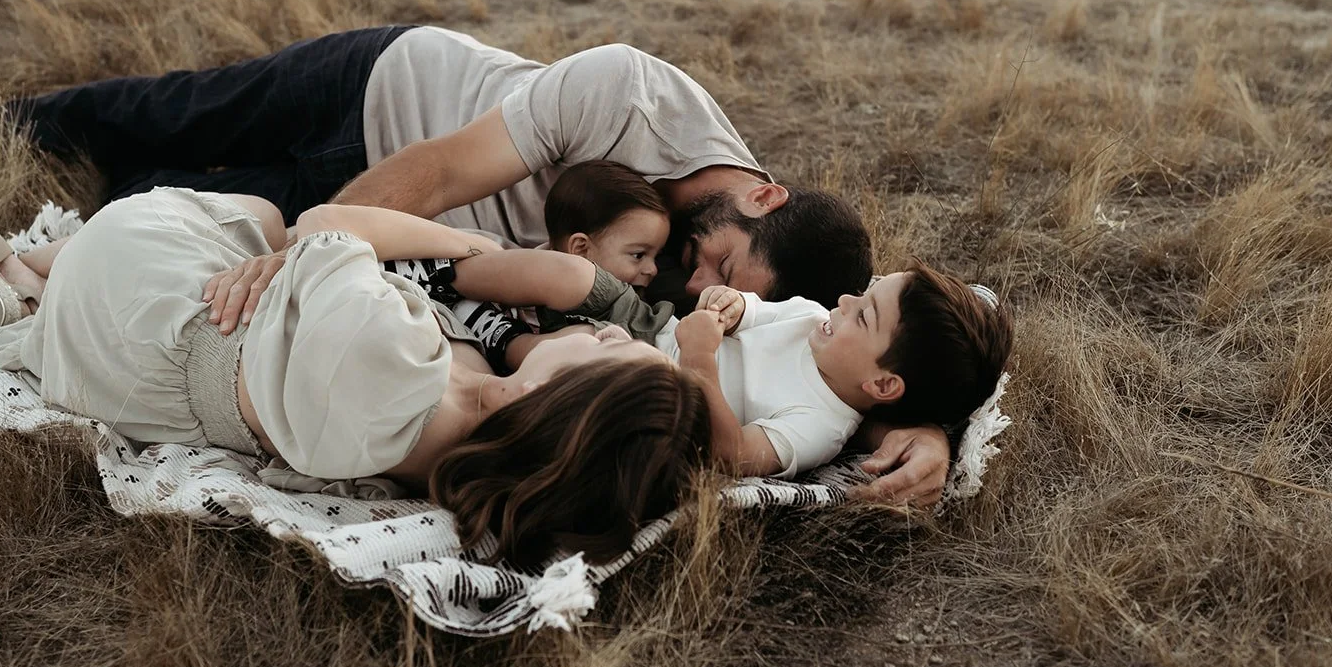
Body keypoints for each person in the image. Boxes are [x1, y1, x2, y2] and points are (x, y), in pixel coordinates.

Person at [0, 24, 951, 505]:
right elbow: (433, 176)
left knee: (133, 218)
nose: (696, 284)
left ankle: (30, 273)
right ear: (758, 190)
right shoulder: (630, 90)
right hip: (385, 108)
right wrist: (293, 259)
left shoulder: (758, 274)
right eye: (711, 258)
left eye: (722, 286)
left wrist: (925, 421)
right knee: (169, 117)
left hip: (402, 249)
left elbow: (901, 329)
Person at [0, 189, 713, 569]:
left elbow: (324, 223)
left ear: (547, 402)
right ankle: (30, 291)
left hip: (141, 317)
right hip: (139, 389)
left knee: (261, 218)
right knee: (257, 247)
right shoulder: (455, 445)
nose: (612, 328)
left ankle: (27, 275)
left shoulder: (398, 366)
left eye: (614, 350)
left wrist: (456, 249)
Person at [392, 243, 1013, 480]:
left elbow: (733, 455)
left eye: (864, 315)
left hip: (643, 386)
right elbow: (750, 311)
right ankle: (444, 271)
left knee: (546, 361)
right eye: (864, 291)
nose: (846, 300)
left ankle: (493, 333)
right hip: (649, 326)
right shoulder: (811, 319)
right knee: (568, 274)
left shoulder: (820, 425)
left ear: (881, 382)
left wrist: (701, 366)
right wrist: (730, 306)